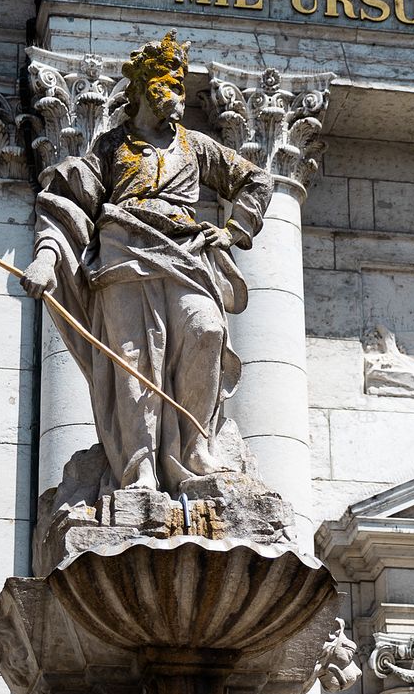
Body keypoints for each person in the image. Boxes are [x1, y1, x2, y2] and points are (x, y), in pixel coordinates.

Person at [20, 32, 272, 496]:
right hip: (122, 258)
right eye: (166, 84)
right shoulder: (112, 147)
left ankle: (195, 448)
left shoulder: (195, 146)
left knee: (207, 330)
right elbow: (66, 204)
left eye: (180, 86)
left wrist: (234, 231)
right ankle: (139, 471)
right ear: (140, 89)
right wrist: (45, 259)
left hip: (185, 255)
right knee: (134, 362)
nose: (176, 95)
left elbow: (255, 180)